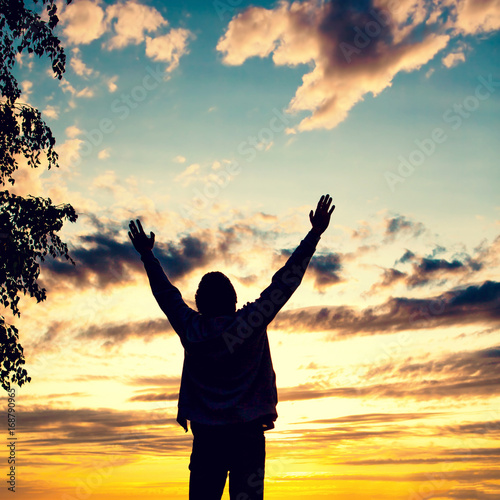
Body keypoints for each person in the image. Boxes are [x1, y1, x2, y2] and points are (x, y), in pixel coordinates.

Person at [128, 194, 335, 500]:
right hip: (247, 436)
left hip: (207, 438)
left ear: (199, 304)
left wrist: (147, 255)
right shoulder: (250, 323)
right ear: (234, 300)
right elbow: (285, 282)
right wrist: (314, 234)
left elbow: (166, 294)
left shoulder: (191, 328)